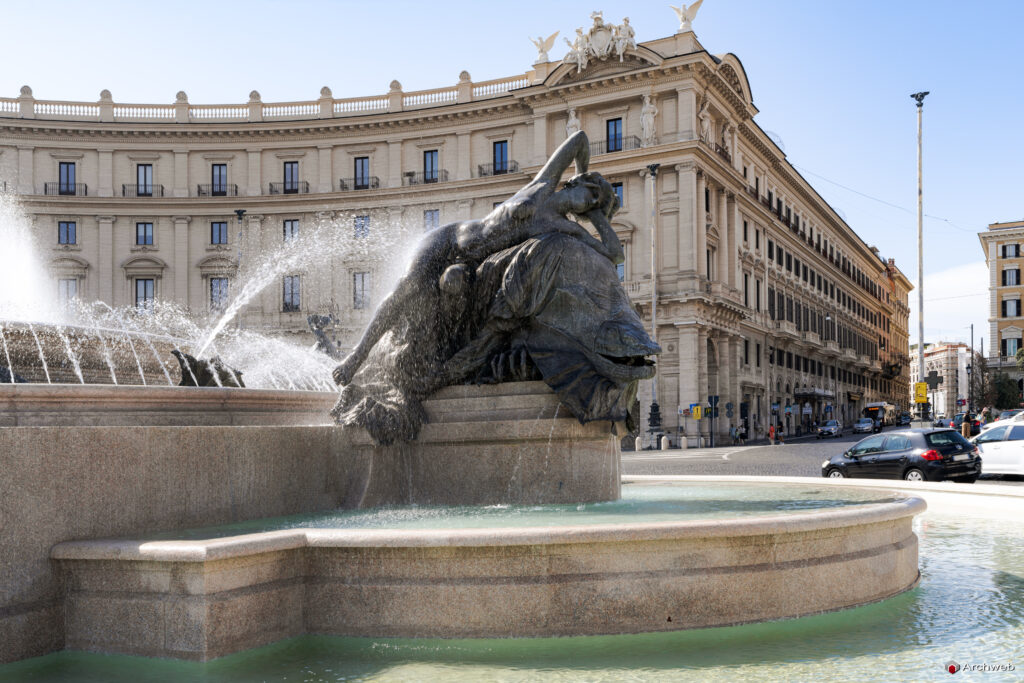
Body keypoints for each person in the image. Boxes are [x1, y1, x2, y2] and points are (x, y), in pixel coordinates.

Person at [332, 130, 622, 388]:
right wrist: (583, 174)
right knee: (407, 288)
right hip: (448, 240)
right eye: (592, 194)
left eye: (596, 203)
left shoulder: (561, 226)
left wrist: (598, 216)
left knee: (447, 303)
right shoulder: (543, 184)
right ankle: (356, 358)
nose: (591, 202)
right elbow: (580, 139)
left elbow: (614, 254)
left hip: (468, 266)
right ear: (575, 184)